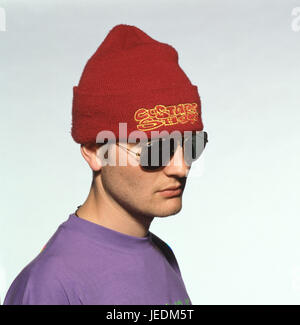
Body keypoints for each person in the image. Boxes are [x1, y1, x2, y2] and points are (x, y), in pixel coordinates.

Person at [3, 24, 208, 305]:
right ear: (94, 151)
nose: (180, 168)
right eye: (157, 149)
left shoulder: (162, 256)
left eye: (191, 146)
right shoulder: (50, 284)